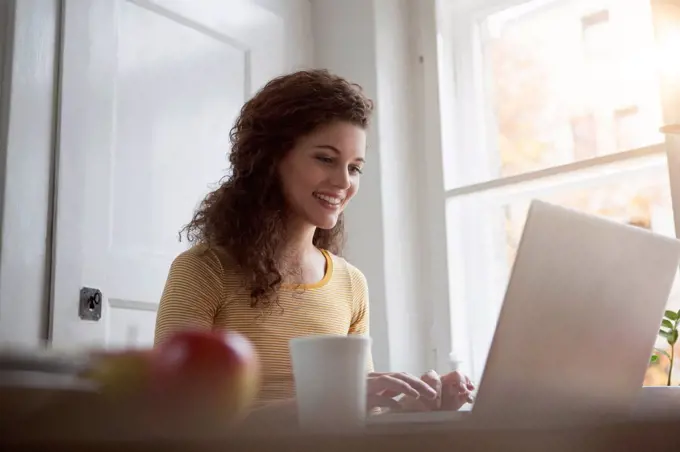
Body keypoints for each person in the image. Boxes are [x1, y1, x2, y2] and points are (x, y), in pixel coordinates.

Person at [153, 69, 474, 417]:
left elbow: (353, 417)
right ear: (271, 158)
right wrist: (324, 404)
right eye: (326, 159)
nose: (343, 182)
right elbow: (176, 420)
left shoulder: (350, 284)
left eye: (355, 168)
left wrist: (416, 407)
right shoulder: (203, 271)